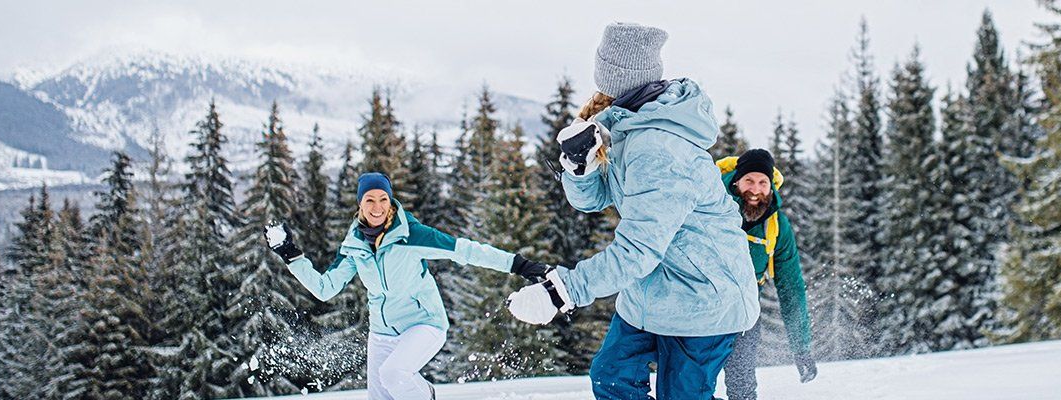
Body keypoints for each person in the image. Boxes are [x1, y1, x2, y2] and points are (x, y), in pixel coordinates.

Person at [502, 22, 759, 400]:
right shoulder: (628, 126)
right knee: (611, 376)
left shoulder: (659, 148)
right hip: (652, 291)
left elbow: (638, 250)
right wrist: (579, 168)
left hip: (704, 299)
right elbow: (591, 201)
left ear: (617, 76)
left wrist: (562, 291)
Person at [266, 172, 549, 400]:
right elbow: (326, 288)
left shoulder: (411, 235)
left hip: (424, 324)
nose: (377, 207)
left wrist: (520, 265)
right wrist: (291, 254)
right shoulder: (354, 246)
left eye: (383, 199)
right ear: (360, 205)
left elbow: (466, 251)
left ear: (391, 201)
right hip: (381, 333)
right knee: (381, 395)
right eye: (370, 200)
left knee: (394, 375)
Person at [714, 149, 818, 400]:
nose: (755, 189)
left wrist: (801, 347)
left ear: (771, 187)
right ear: (736, 181)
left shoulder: (777, 226)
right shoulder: (712, 204)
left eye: (763, 182)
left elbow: (791, 288)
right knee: (692, 383)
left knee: (743, 386)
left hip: (745, 314)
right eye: (749, 180)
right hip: (702, 308)